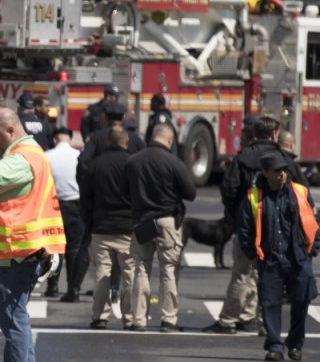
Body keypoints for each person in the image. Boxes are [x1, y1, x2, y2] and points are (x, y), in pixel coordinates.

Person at [0, 108, 65, 362]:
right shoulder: (30, 154)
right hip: (20, 250)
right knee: (16, 319)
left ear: (10, 130)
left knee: (13, 321)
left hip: (13, 251)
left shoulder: (21, 159)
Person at [204, 116, 295, 335]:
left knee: (242, 273)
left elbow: (229, 188)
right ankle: (260, 320)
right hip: (275, 226)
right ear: (274, 134)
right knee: (270, 276)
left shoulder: (243, 158)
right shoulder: (282, 159)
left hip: (247, 223)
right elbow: (297, 190)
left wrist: (234, 214)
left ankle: (229, 319)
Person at [237, 151, 319, 362]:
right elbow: (244, 230)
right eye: (277, 171)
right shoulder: (254, 197)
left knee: (301, 300)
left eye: (284, 170)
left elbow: (314, 222)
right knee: (269, 303)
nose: (282, 174)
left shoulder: (300, 192)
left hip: (298, 258)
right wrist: (254, 256)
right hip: (270, 259)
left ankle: (295, 343)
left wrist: (313, 249)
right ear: (265, 173)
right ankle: (274, 346)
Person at [125, 124, 196, 333]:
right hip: (167, 220)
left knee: (140, 268)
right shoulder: (174, 162)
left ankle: (138, 319)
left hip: (142, 221)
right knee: (168, 271)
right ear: (170, 140)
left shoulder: (133, 162)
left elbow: (124, 192)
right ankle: (168, 319)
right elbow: (190, 193)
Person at [80, 126, 136, 330]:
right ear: (126, 142)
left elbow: (86, 199)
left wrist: (88, 224)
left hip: (101, 227)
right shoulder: (132, 164)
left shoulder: (95, 165)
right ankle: (129, 317)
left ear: (107, 143)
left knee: (102, 272)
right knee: (129, 273)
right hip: (128, 228)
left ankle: (100, 316)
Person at [43, 127, 84, 302]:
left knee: (54, 247)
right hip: (76, 205)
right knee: (74, 249)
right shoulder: (79, 156)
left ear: (54, 140)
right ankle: (72, 288)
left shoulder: (47, 156)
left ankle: (52, 287)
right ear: (71, 138)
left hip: (54, 205)